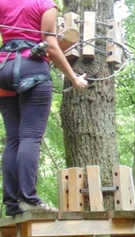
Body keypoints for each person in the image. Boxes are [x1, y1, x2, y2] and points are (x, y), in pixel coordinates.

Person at [0, 0, 88, 217]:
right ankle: (29, 199)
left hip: (3, 68)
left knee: (13, 139)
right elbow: (49, 45)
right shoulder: (44, 4)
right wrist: (74, 78)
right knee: (30, 136)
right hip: (31, 68)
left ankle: (12, 205)